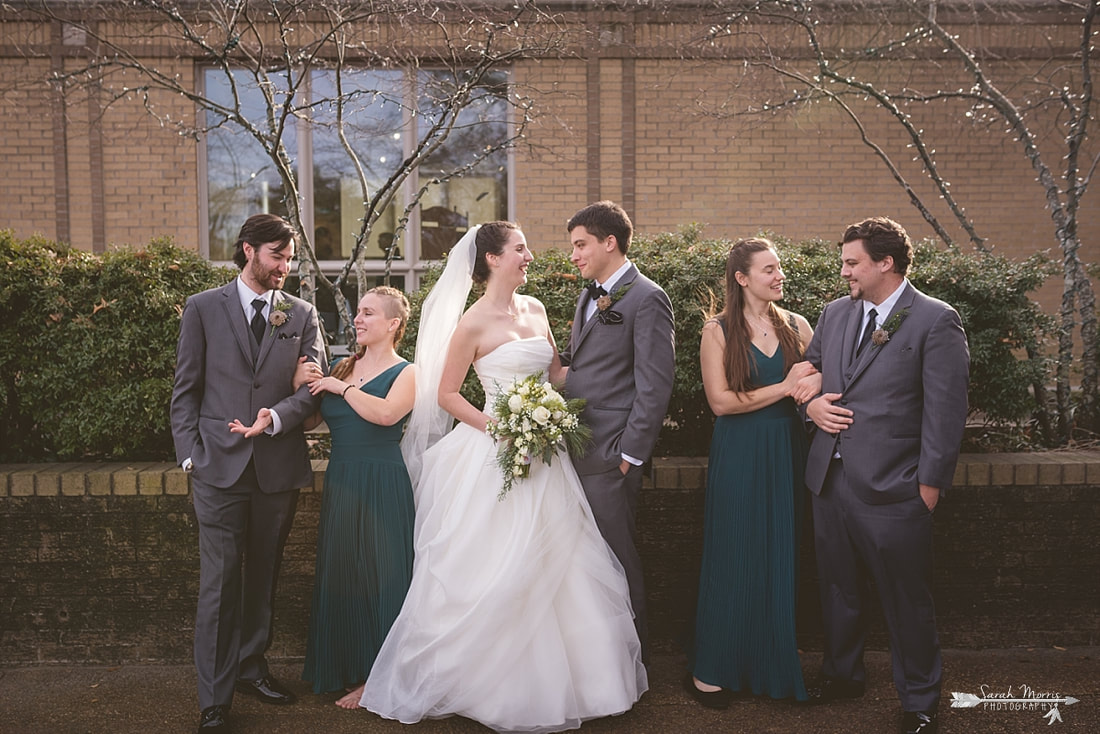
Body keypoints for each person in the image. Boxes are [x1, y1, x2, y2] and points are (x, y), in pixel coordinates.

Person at [359, 222, 647, 733]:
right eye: (520, 249)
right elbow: (448, 394)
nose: (529, 255)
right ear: (492, 259)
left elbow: (558, 373)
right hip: (496, 452)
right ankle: (489, 682)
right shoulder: (470, 323)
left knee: (563, 561)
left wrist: (561, 409)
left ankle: (583, 681)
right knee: (495, 564)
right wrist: (502, 427)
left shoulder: (536, 310)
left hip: (547, 453)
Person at [802, 217, 969, 734]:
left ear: (885, 263)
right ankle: (844, 675)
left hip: (897, 486)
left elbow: (946, 410)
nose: (845, 271)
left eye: (853, 262)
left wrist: (929, 485)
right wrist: (811, 408)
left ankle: (919, 701)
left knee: (906, 597)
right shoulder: (833, 314)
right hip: (828, 480)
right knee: (838, 587)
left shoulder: (935, 321)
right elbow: (806, 374)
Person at [170, 213, 326, 734]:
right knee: (219, 581)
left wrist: (278, 417)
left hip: (277, 468)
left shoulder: (301, 314)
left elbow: (313, 386)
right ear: (249, 251)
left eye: (290, 257)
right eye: (277, 256)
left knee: (263, 575)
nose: (286, 266)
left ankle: (251, 668)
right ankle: (214, 698)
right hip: (217, 468)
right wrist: (191, 456)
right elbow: (185, 392)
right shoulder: (202, 308)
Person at [685, 238, 818, 708]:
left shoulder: (798, 326)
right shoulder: (717, 331)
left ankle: (771, 665)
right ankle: (712, 670)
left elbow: (821, 379)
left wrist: (812, 383)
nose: (779, 275)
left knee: (778, 554)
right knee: (733, 552)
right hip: (740, 452)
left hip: (786, 450)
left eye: (779, 267)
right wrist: (786, 387)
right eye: (769, 269)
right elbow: (721, 403)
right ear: (742, 278)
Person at [560, 201, 676, 661]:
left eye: (580, 244)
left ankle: (633, 663)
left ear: (610, 242)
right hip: (573, 449)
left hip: (611, 456)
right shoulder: (588, 295)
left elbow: (655, 383)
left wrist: (630, 453)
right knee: (585, 564)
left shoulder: (647, 297)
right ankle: (594, 661)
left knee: (617, 561)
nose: (573, 254)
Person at [293, 287, 416, 708]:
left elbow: (386, 415)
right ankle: (345, 667)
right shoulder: (343, 367)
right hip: (343, 480)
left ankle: (378, 677)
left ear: (393, 324)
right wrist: (304, 385)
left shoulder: (408, 372)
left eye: (367, 313)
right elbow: (313, 422)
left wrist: (339, 389)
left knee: (382, 577)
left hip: (382, 481)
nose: (358, 319)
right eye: (358, 312)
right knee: (345, 573)